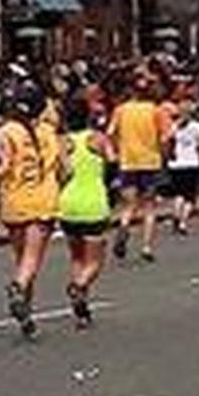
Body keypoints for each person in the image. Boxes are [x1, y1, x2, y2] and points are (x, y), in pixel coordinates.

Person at [0, 86, 60, 340]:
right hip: (42, 200)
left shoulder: (6, 131)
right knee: (31, 260)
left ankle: (26, 318)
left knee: (22, 259)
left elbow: (4, 166)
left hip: (13, 201)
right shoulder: (48, 131)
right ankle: (18, 288)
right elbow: (64, 169)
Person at [57, 99, 114, 329]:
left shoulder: (62, 142)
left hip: (68, 204)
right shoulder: (98, 139)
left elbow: (61, 172)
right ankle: (79, 286)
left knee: (77, 257)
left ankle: (81, 309)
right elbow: (113, 161)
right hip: (93, 203)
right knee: (95, 261)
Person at [109, 77, 170, 263]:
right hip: (150, 162)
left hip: (128, 162)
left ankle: (124, 226)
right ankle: (146, 247)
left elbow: (111, 132)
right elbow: (165, 137)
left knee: (128, 204)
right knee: (149, 206)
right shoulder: (156, 111)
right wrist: (164, 154)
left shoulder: (121, 110)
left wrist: (117, 150)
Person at [168, 101, 199, 236]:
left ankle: (175, 214)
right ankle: (183, 222)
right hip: (191, 163)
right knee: (190, 196)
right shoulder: (198, 127)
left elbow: (168, 141)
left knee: (179, 193)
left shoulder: (174, 126)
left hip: (176, 164)